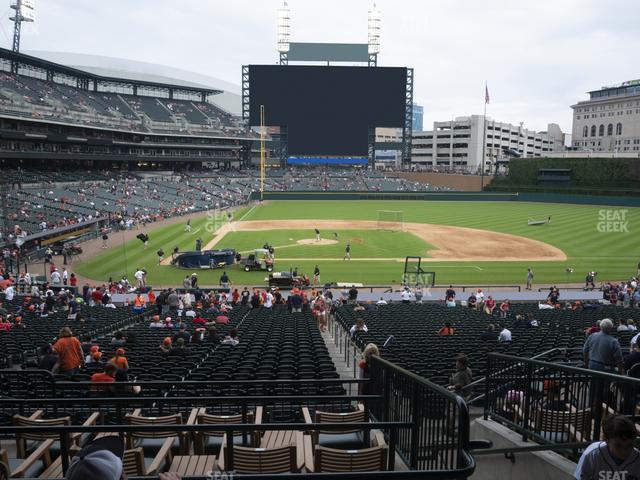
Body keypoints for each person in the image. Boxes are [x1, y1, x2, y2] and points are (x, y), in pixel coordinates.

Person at [574, 415, 640, 480]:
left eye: (629, 445)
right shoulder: (593, 454)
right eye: (618, 446)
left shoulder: (637, 457)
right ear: (606, 439)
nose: (624, 451)